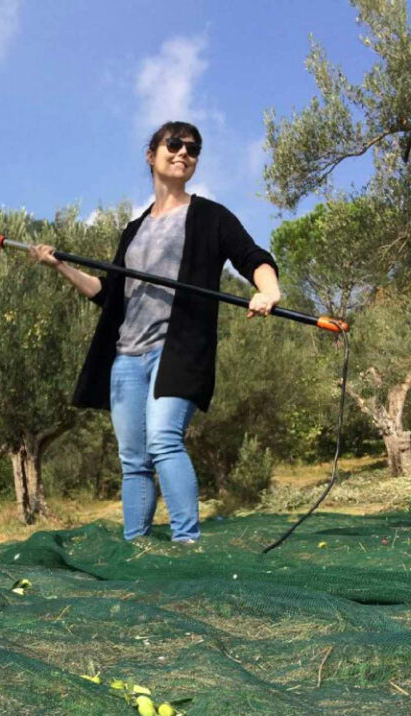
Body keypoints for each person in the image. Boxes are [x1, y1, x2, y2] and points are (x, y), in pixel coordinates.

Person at [30, 121, 280, 543]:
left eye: (193, 149)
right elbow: (109, 294)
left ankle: (186, 543)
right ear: (152, 155)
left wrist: (268, 290)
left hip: (177, 349)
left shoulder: (209, 216)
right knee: (134, 461)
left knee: (164, 440)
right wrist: (61, 267)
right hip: (126, 357)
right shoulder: (134, 229)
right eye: (175, 144)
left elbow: (252, 257)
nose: (184, 152)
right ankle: (137, 547)